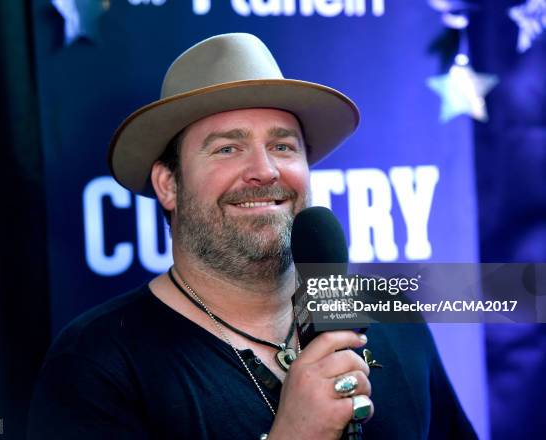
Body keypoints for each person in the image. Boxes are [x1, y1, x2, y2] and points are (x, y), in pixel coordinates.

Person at [27, 33, 476, 439]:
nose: (264, 170)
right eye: (228, 148)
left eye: (283, 146)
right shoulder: (97, 363)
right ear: (168, 184)